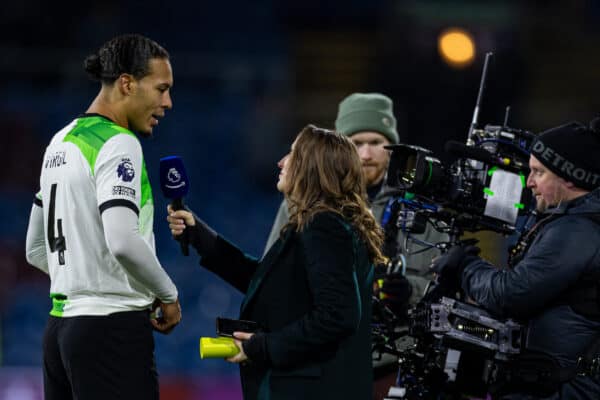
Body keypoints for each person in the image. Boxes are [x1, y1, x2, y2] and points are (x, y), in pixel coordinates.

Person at [167, 124, 385, 400]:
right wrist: (200, 236)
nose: (281, 162)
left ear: (311, 166)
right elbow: (267, 283)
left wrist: (263, 346)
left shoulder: (324, 225)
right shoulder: (323, 223)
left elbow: (338, 316)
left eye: (292, 154)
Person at [24, 34, 181, 400]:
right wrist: (167, 294)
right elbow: (123, 241)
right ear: (127, 83)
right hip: (111, 332)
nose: (168, 102)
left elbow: (35, 249)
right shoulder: (119, 143)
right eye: (161, 89)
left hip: (60, 333)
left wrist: (83, 275)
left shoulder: (59, 143)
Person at [434, 118, 600, 399]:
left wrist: (466, 266)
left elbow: (510, 295)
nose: (530, 182)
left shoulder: (578, 230)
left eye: (539, 172)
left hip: (557, 390)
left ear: (570, 177)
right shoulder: (573, 221)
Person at [265, 93, 447, 313]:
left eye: (376, 143)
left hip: (398, 341)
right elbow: (272, 277)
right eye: (357, 143)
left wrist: (410, 291)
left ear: (392, 148)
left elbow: (444, 288)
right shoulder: (305, 202)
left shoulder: (422, 209)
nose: (366, 154)